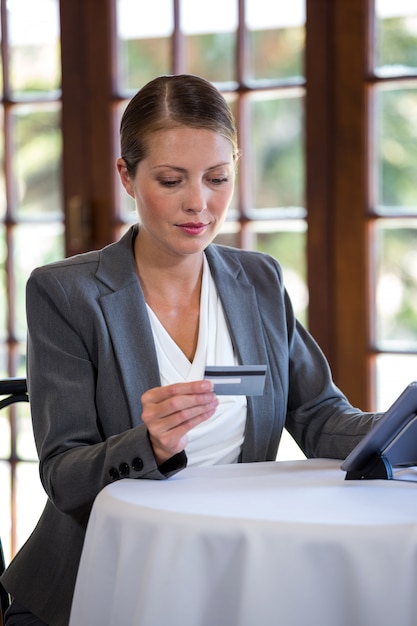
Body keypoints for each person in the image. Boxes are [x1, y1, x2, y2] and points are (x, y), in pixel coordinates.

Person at [1, 74, 379, 626]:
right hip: (108, 572)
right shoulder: (66, 294)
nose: (199, 204)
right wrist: (148, 444)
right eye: (172, 180)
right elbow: (64, 476)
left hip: (233, 564)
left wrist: (399, 427)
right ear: (127, 177)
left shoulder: (260, 281)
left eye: (217, 178)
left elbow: (319, 415)